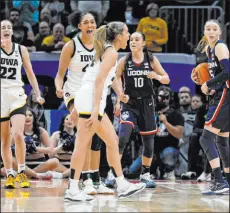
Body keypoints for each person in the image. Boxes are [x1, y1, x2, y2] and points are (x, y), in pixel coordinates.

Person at [64, 21, 146, 202]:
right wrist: (94, 109)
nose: (129, 36)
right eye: (127, 33)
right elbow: (98, 81)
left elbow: (101, 78)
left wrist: (119, 94)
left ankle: (122, 184)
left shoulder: (108, 51)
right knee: (82, 144)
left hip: (89, 99)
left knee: (112, 141)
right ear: (118, 36)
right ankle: (72, 188)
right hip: (92, 100)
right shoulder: (111, 52)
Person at [55, 12, 113, 195]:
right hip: (74, 93)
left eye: (93, 22)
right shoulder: (70, 46)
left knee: (97, 138)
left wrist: (119, 93)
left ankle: (94, 180)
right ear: (79, 26)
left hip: (96, 94)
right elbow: (60, 75)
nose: (90, 25)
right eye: (86, 22)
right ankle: (83, 180)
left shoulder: (102, 47)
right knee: (85, 134)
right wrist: (58, 88)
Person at [105, 32, 170, 188]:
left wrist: (157, 77)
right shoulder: (124, 60)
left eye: (137, 39)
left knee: (148, 143)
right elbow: (115, 78)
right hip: (130, 104)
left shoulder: (151, 59)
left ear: (143, 43)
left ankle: (145, 174)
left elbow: (166, 78)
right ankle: (112, 173)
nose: (133, 41)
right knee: (122, 137)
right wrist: (119, 98)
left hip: (147, 104)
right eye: (131, 39)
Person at [1, 20, 45, 189]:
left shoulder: (21, 49)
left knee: (18, 134)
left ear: (12, 31)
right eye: (3, 27)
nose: (6, 29)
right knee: (4, 139)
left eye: (8, 27)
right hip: (1, 95)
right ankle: (10, 174)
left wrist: (38, 93)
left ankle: (21, 172)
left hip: (17, 94)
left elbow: (30, 73)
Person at [194, 19, 229, 194]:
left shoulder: (220, 47)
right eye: (208, 28)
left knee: (205, 138)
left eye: (215, 29)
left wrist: (208, 83)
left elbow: (228, 72)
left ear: (220, 32)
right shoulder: (209, 49)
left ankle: (219, 180)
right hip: (221, 94)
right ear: (204, 31)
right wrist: (212, 87)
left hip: (226, 95)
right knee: (222, 141)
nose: (211, 31)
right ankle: (226, 182)